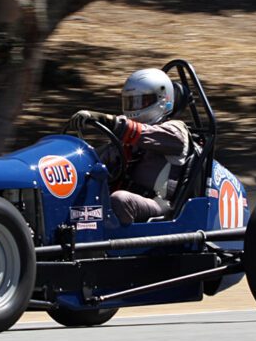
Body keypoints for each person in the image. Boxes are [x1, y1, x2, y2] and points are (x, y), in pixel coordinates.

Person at [73, 68, 192, 225]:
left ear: (164, 99)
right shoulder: (125, 140)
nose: (135, 108)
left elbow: (143, 133)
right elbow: (95, 158)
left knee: (120, 199)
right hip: (125, 197)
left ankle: (108, 246)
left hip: (157, 204)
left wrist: (108, 121)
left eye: (142, 101)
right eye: (131, 101)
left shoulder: (175, 131)